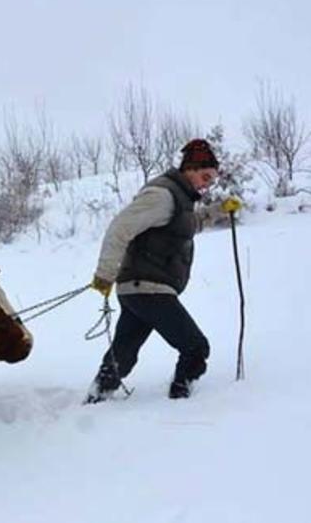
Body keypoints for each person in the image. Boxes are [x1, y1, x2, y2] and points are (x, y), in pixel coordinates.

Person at [85, 138, 218, 403]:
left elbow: (187, 224)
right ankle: (182, 403)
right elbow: (120, 229)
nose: (207, 184)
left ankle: (96, 398)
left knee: (123, 353)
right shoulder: (162, 196)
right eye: (205, 177)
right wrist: (105, 274)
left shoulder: (179, 201)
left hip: (139, 290)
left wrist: (219, 211)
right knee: (195, 347)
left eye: (211, 180)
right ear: (189, 169)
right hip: (149, 289)